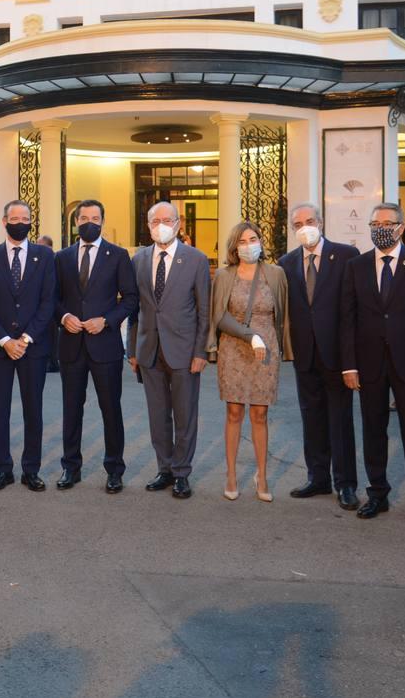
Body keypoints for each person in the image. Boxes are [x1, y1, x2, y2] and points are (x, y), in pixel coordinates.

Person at [340, 202, 405, 529]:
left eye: (387, 222)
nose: (380, 227)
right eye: (374, 222)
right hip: (369, 364)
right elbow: (348, 320)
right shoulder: (356, 266)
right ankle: (378, 494)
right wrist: (349, 366)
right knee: (373, 431)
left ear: (400, 227)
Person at [278, 203, 360, 510]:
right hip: (305, 354)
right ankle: (318, 477)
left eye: (309, 221)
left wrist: (353, 356)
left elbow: (354, 309)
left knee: (340, 420)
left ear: (321, 222)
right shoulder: (286, 263)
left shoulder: (346, 256)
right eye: (298, 223)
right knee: (311, 417)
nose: (305, 227)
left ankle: (346, 483)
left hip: (338, 354)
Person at [128, 201, 210, 499]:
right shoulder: (139, 259)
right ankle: (164, 469)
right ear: (148, 225)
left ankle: (181, 473)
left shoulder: (196, 259)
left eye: (167, 219)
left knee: (184, 415)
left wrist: (201, 351)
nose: (161, 225)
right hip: (149, 350)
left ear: (178, 223)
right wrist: (132, 349)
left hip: (185, 351)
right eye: (155, 220)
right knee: (157, 415)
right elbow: (134, 309)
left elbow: (204, 310)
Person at [55, 200, 138, 492]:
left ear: (102, 221)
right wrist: (64, 317)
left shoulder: (117, 256)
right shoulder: (62, 257)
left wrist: (106, 320)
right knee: (71, 409)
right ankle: (70, 468)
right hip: (71, 345)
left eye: (95, 217)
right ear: (76, 221)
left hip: (105, 345)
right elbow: (52, 299)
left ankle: (114, 469)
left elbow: (130, 298)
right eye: (84, 217)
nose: (89, 221)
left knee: (110, 409)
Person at [0, 200, 55, 492]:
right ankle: (3, 468)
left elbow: (48, 301)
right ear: (4, 221)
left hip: (33, 347)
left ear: (31, 221)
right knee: (0, 409)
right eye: (14, 217)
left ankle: (31, 469)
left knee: (33, 408)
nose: (19, 222)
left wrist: (25, 339)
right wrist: (5, 340)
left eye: (25, 217)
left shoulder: (45, 256)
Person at [211, 221, 292, 502]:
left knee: (260, 414)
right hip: (234, 347)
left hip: (265, 350)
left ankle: (262, 475)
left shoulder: (276, 274)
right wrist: (249, 335)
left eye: (254, 239)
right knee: (234, 412)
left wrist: (283, 347)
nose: (249, 245)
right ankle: (231, 475)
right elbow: (219, 315)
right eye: (243, 241)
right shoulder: (224, 276)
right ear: (234, 246)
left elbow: (283, 314)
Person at [37, 234, 60, 374]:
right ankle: (51, 361)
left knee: (50, 334)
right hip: (48, 303)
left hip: (50, 303)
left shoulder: (52, 259)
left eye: (40, 246)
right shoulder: (48, 258)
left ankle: (51, 362)